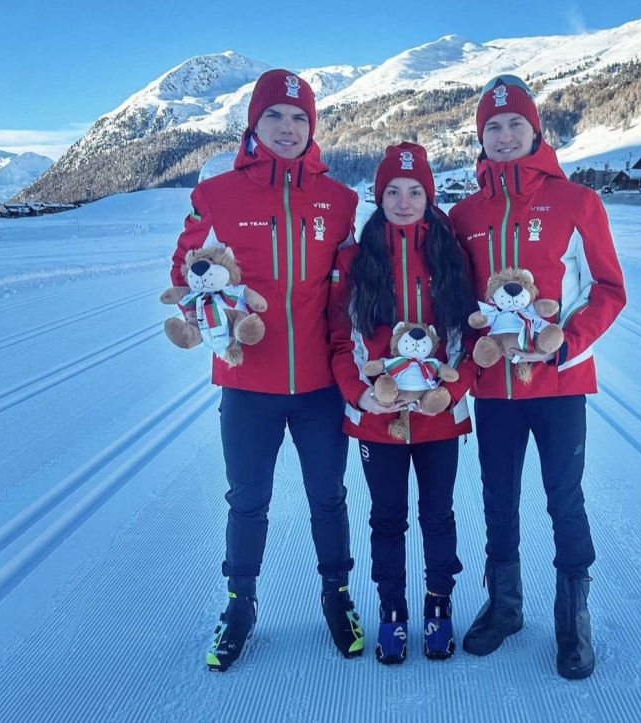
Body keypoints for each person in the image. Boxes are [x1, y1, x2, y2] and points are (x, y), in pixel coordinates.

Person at [170, 69, 366, 672]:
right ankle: (240, 606)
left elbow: (352, 287)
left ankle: (337, 597)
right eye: (275, 117)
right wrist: (197, 301)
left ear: (313, 127)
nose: (287, 128)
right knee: (247, 501)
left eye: (299, 117)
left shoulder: (339, 202)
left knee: (328, 498)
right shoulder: (218, 195)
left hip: (319, 387)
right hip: (247, 385)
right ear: (254, 124)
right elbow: (186, 272)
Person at [449, 75, 626, 680]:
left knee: (564, 499)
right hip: (495, 390)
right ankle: (504, 607)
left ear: (536, 131)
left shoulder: (577, 202)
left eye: (514, 125)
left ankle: (573, 618)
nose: (503, 136)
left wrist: (566, 344)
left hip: (558, 386)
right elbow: (454, 300)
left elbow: (608, 288)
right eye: (491, 127)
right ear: (480, 136)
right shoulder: (464, 213)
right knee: (498, 498)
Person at [330, 142, 477, 664]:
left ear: (429, 195)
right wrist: (359, 393)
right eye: (392, 190)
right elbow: (340, 341)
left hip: (438, 417)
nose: (404, 201)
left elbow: (466, 338)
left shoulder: (449, 254)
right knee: (387, 518)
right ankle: (392, 612)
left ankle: (440, 608)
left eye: (416, 191)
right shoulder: (355, 258)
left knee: (438, 515)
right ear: (379, 195)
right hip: (377, 418)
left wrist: (451, 392)